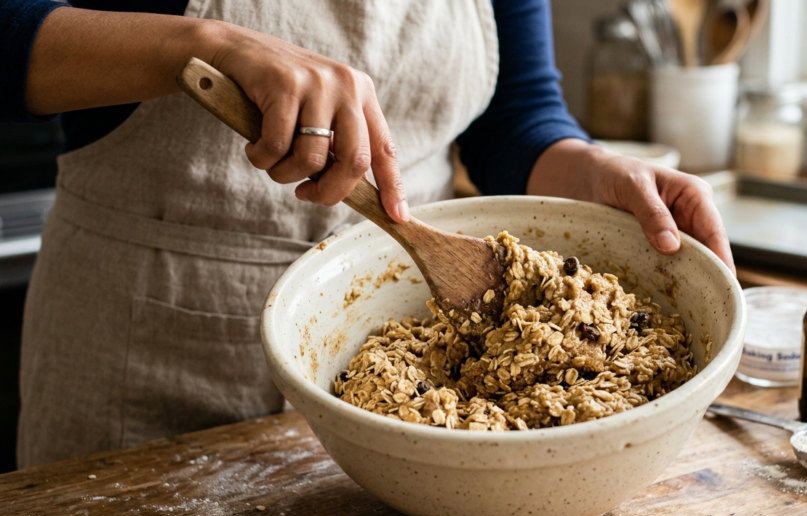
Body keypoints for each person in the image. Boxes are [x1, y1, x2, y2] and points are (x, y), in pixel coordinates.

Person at [3, 0, 733, 468]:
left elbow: (515, 114)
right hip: (151, 341)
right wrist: (201, 44)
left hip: (417, 326)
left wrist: (592, 167)